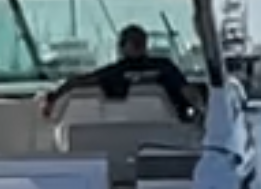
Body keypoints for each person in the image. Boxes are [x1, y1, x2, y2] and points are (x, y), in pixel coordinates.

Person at [37, 24, 201, 122]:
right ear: (145, 45)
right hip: (170, 132)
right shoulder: (165, 67)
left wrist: (53, 99)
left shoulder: (113, 73)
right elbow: (188, 93)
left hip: (122, 129)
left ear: (122, 47)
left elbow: (76, 82)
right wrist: (202, 111)